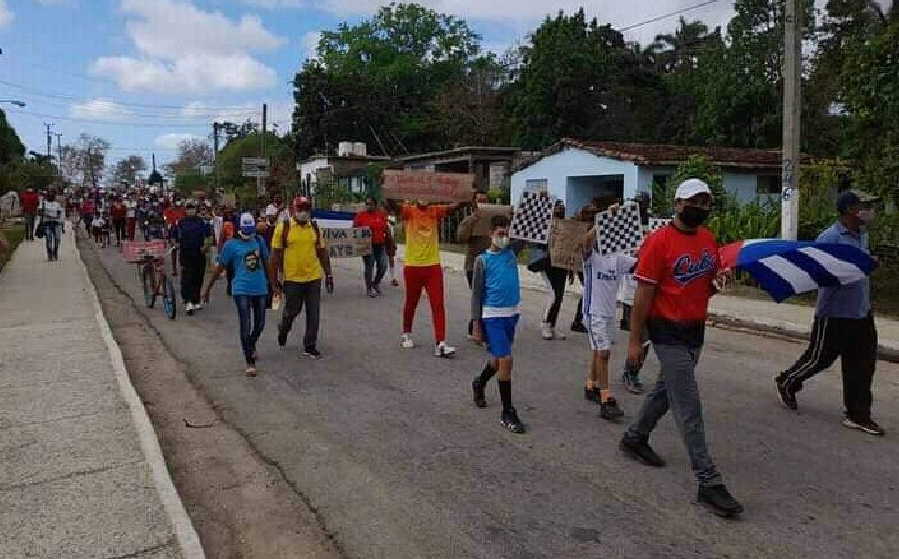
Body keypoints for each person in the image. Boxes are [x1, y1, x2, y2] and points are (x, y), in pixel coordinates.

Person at [619, 179, 743, 518]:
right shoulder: (658, 242)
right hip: (667, 332)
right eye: (694, 201)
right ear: (677, 204)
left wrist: (720, 283)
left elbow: (703, 286)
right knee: (688, 405)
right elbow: (642, 297)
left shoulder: (707, 239)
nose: (700, 208)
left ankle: (635, 437)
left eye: (705, 202)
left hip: (694, 330)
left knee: (665, 391)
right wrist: (635, 340)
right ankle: (708, 480)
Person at [775, 190, 884, 436]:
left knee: (862, 365)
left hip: (861, 311)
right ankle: (787, 381)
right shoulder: (830, 238)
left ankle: (858, 414)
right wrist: (852, 268)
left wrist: (868, 265)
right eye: (863, 206)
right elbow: (818, 274)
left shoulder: (862, 235)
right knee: (818, 358)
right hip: (835, 313)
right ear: (849, 211)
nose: (868, 210)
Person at [470, 215, 526, 433]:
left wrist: (535, 203)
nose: (504, 238)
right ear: (491, 234)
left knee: (496, 361)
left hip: (511, 314)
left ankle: (480, 382)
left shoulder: (511, 252)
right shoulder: (482, 261)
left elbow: (529, 228)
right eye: (500, 234)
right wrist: (476, 324)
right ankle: (507, 411)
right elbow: (476, 295)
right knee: (506, 360)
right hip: (492, 315)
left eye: (506, 233)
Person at [389, 198, 465, 357]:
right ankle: (406, 333)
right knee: (411, 302)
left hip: (432, 266)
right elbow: (393, 206)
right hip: (413, 266)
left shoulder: (435, 210)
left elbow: (453, 207)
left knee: (438, 304)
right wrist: (387, 189)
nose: (423, 199)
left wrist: (465, 196)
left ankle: (441, 343)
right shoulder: (409, 210)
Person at [582, 212, 635, 421]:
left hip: (610, 314)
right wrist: (600, 222)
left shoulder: (617, 258)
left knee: (598, 351)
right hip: (593, 313)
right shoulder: (591, 257)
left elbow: (639, 263)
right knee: (604, 353)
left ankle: (591, 385)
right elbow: (585, 242)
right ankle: (606, 399)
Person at [203, 212, 270, 377]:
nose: (249, 234)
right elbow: (220, 268)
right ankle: (249, 361)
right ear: (240, 228)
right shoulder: (231, 245)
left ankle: (251, 344)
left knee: (260, 324)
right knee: (245, 325)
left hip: (260, 287)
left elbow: (267, 263)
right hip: (241, 289)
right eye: (246, 230)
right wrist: (207, 289)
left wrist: (274, 284)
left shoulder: (259, 241)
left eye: (251, 230)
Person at [271, 197, 333, 359]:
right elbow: (275, 257)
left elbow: (322, 252)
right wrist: (273, 283)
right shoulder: (283, 228)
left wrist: (329, 274)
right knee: (292, 311)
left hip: (313, 277)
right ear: (293, 210)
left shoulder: (315, 228)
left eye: (306, 209)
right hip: (292, 279)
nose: (303, 212)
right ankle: (284, 328)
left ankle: (310, 345)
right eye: (300, 209)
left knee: (314, 313)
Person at [618, 191, 653, 394]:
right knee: (640, 337)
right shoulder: (625, 228)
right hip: (632, 293)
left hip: (650, 291)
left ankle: (633, 370)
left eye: (642, 204)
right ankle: (630, 372)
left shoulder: (653, 228)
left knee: (646, 340)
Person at [533, 200, 572, 341]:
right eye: (557, 209)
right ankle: (545, 324)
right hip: (547, 264)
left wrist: (570, 268)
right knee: (553, 295)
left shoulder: (567, 227)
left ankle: (552, 325)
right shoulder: (543, 225)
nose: (559, 212)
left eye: (562, 209)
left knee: (559, 297)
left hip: (560, 266)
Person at [457, 193, 493, 340]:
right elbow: (461, 237)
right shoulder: (469, 220)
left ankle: (477, 327)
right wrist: (473, 220)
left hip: (492, 265)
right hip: (474, 266)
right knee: (480, 297)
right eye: (479, 201)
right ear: (474, 203)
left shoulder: (493, 221)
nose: (482, 204)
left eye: (485, 201)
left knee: (488, 298)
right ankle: (477, 329)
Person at [173, 199, 213, 315]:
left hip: (199, 254)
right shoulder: (181, 223)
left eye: (193, 208)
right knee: (187, 277)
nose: (191, 210)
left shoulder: (202, 222)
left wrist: (205, 247)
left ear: (196, 210)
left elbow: (209, 236)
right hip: (186, 254)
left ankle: (196, 300)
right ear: (186, 210)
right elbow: (173, 236)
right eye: (189, 208)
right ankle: (188, 301)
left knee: (198, 277)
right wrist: (176, 244)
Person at [353, 196, 391, 297]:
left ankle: (376, 283)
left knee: (383, 265)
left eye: (370, 204)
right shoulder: (360, 216)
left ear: (375, 205)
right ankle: (369, 288)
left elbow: (386, 229)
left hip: (380, 244)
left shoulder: (380, 215)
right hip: (367, 245)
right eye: (367, 204)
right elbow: (354, 230)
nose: (368, 206)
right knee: (369, 266)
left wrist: (391, 242)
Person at [39, 190, 65, 261]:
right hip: (47, 223)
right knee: (49, 239)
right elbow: (40, 212)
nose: (51, 196)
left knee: (57, 239)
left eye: (52, 195)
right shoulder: (44, 203)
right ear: (47, 196)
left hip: (56, 224)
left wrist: (62, 224)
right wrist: (47, 214)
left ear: (54, 196)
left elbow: (59, 213)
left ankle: (55, 252)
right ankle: (49, 254)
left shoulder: (57, 204)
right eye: (49, 195)